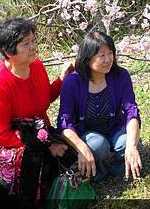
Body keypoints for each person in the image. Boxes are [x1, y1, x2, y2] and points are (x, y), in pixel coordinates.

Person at [0, 17, 73, 209]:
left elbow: (44, 99)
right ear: (9, 51)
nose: (33, 47)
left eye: (33, 41)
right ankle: (28, 207)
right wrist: (46, 146)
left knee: (69, 153)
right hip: (12, 140)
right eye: (25, 44)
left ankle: (54, 195)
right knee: (33, 160)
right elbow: (1, 132)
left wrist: (63, 79)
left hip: (39, 130)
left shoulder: (36, 65)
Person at [58, 30, 142, 182]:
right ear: (87, 58)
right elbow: (65, 123)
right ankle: (99, 173)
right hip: (89, 134)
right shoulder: (72, 82)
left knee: (126, 142)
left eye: (110, 53)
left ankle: (122, 171)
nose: (108, 59)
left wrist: (132, 146)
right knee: (97, 145)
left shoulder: (120, 76)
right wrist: (81, 148)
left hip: (115, 128)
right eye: (101, 55)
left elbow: (131, 111)